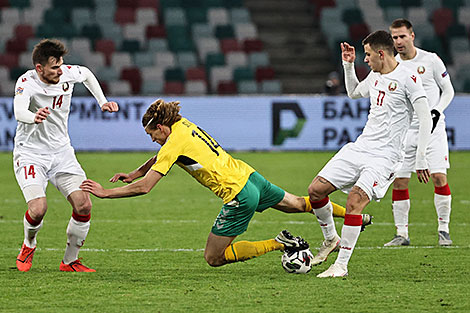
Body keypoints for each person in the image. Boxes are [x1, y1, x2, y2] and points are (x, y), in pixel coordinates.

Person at [80, 98, 350, 267]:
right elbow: (161, 157)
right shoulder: (183, 125)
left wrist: (106, 193)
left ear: (161, 127)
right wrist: (135, 172)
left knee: (214, 257)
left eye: (152, 134)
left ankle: (282, 243)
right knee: (297, 203)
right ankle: (354, 215)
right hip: (248, 175)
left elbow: (145, 188)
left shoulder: (172, 142)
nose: (153, 139)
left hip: (238, 194)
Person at [307, 30, 432, 277]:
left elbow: (425, 117)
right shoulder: (375, 76)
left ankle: (340, 265)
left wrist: (421, 158)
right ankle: (331, 238)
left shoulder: (408, 78)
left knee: (354, 202)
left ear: (381, 53)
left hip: (385, 157)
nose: (365, 59)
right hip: (361, 147)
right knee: (315, 190)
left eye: (367, 54)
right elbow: (354, 92)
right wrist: (347, 64)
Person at [13, 39, 119, 272]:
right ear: (39, 68)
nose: (60, 71)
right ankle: (29, 244)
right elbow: (19, 110)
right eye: (54, 68)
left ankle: (70, 261)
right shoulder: (26, 83)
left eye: (61, 65)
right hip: (31, 153)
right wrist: (33, 117)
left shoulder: (68, 73)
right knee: (38, 208)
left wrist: (102, 102)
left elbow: (88, 74)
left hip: (62, 153)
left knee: (83, 204)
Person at [385, 19, 455, 247]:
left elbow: (448, 91)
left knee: (438, 177)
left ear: (412, 36)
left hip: (433, 131)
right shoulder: (393, 65)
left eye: (402, 36)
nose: (398, 41)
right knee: (400, 182)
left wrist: (436, 111)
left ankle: (443, 230)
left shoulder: (431, 60)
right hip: (406, 132)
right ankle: (401, 234)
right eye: (394, 38)